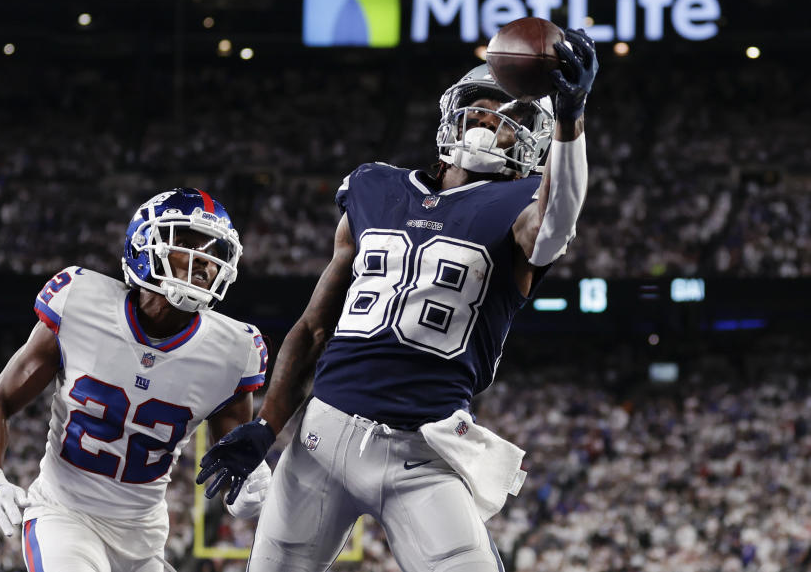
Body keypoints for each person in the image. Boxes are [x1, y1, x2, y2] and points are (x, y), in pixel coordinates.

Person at [196, 28, 598, 571]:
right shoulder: (376, 188)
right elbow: (314, 328)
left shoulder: (523, 203)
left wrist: (572, 121)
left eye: (506, 119)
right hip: (321, 438)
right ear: (450, 117)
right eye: (478, 110)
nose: (487, 121)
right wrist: (267, 427)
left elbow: (558, 220)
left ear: (530, 143)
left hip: (423, 453)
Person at [0, 188, 272, 572]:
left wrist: (248, 480)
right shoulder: (80, 303)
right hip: (65, 515)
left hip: (144, 538)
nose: (204, 261)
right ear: (145, 246)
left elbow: (233, 455)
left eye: (213, 250)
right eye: (186, 243)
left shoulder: (234, 351)